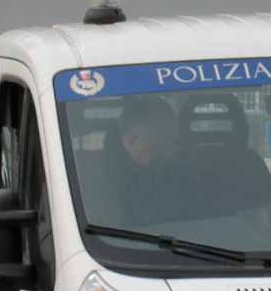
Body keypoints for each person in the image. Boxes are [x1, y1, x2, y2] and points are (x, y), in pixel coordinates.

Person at [80, 96, 195, 228]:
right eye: (162, 145)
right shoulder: (101, 177)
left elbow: (196, 211)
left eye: (174, 143)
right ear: (132, 140)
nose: (171, 152)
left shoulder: (170, 166)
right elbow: (121, 232)